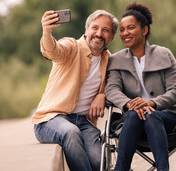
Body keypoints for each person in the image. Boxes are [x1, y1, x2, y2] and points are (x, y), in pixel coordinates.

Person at [31, 9, 119, 171]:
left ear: (111, 37)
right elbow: (53, 50)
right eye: (95, 28)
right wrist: (47, 31)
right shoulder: (72, 47)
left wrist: (102, 95)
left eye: (105, 30)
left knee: (98, 162)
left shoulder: (109, 60)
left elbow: (116, 86)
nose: (99, 34)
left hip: (84, 123)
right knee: (70, 132)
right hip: (50, 119)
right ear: (86, 30)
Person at [105, 2, 176, 171]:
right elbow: (111, 89)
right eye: (122, 29)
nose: (125, 33)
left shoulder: (164, 54)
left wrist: (151, 104)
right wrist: (129, 103)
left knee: (151, 115)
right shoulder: (116, 60)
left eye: (131, 28)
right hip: (133, 120)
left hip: (168, 117)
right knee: (134, 114)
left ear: (144, 30)